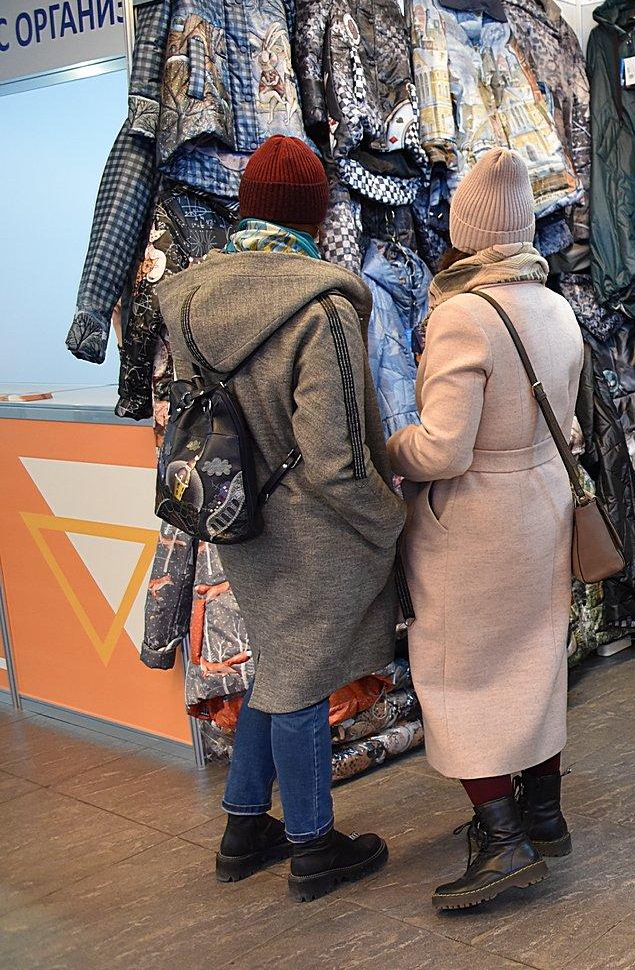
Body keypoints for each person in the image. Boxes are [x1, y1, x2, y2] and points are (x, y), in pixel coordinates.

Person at [156, 135, 407, 901]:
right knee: (302, 676)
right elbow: (337, 460)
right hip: (315, 527)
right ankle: (312, 845)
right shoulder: (322, 308)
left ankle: (243, 827)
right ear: (315, 214)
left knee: (275, 659)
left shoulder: (192, 299)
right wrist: (391, 518)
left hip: (235, 512)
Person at [387, 148, 585, 912]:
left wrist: (387, 446)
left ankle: (502, 838)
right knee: (536, 657)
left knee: (459, 672)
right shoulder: (557, 306)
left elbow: (444, 449)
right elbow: (568, 422)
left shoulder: (463, 315)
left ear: (466, 229)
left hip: (474, 522)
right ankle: (544, 814)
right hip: (544, 505)